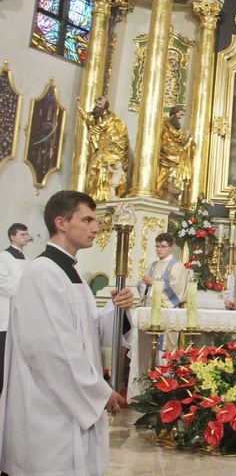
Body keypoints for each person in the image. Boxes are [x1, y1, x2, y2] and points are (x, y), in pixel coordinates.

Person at [0, 190, 134, 475]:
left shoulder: (72, 276)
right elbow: (53, 350)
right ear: (61, 223)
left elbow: (87, 333)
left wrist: (118, 311)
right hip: (48, 406)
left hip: (69, 398)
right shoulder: (42, 273)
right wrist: (100, 392)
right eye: (87, 220)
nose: (96, 228)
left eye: (95, 221)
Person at [137, 232, 188, 355]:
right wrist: (145, 284)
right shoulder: (152, 266)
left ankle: (163, 373)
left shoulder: (177, 267)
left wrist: (154, 283)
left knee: (164, 350)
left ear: (170, 248)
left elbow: (177, 290)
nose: (159, 249)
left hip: (166, 313)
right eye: (157, 246)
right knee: (148, 349)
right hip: (151, 310)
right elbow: (141, 285)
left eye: (163, 246)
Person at [77, 95, 130, 202]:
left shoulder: (111, 117)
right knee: (95, 169)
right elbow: (88, 118)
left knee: (104, 173)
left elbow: (101, 126)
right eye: (96, 103)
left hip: (109, 152)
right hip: (101, 150)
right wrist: (79, 106)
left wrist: (91, 132)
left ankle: (104, 196)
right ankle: (94, 195)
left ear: (105, 107)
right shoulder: (97, 116)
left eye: (99, 104)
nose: (97, 106)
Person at [0, 223, 29, 393]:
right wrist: (24, 284)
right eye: (22, 234)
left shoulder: (26, 259)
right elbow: (4, 284)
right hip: (5, 315)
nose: (26, 237)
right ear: (12, 237)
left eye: (26, 234)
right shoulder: (3, 257)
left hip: (21, 315)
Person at [156, 105, 194, 199]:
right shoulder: (166, 123)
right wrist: (185, 136)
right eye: (181, 113)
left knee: (178, 172)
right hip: (168, 151)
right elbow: (175, 135)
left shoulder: (175, 125)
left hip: (176, 152)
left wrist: (187, 138)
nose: (182, 116)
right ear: (176, 111)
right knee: (166, 175)